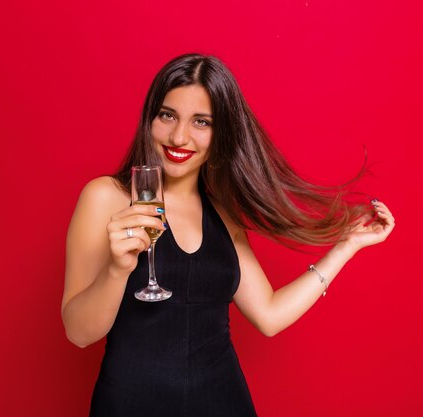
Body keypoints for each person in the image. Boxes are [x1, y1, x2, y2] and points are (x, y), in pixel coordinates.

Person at [61, 53, 395, 416]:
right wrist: (116, 269)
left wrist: (346, 246)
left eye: (201, 122)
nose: (179, 136)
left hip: (223, 402)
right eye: (167, 115)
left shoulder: (222, 212)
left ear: (222, 133)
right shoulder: (106, 197)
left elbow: (268, 315)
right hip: (131, 404)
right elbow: (78, 333)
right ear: (150, 119)